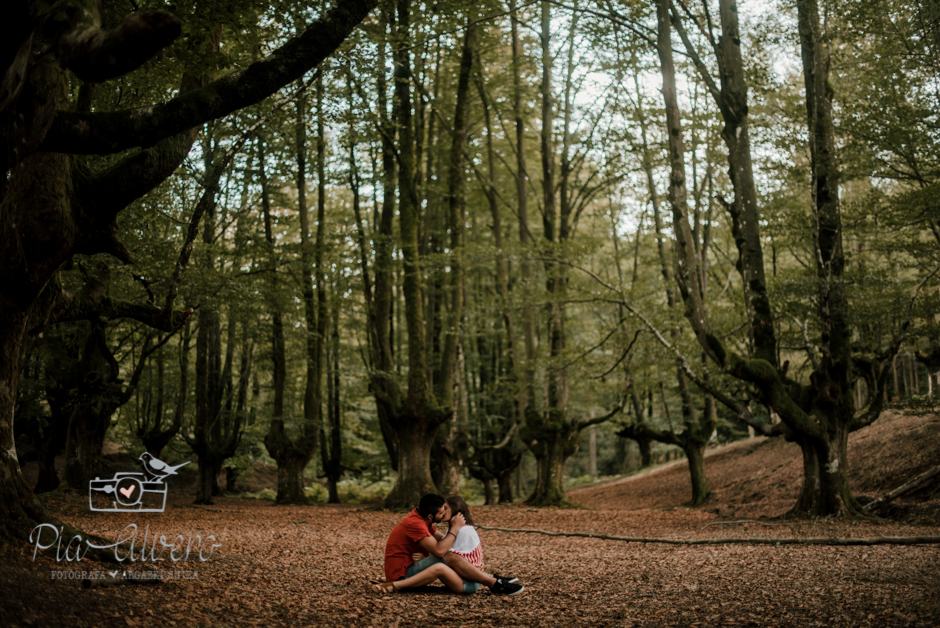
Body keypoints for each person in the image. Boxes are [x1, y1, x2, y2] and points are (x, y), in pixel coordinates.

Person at [374, 494, 523, 595]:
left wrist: (453, 531)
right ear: (431, 516)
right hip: (402, 574)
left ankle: (494, 580)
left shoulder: (422, 519)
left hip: (407, 569)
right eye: (441, 511)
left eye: (446, 509)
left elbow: (441, 540)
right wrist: (455, 528)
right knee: (449, 556)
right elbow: (440, 552)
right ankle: (494, 583)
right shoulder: (415, 523)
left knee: (449, 556)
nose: (444, 512)